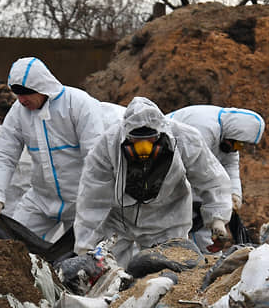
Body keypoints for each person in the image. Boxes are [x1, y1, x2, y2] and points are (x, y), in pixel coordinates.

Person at [74, 96, 234, 267]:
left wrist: (217, 217)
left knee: (171, 273)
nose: (144, 147)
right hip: (118, 220)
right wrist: (86, 246)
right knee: (106, 274)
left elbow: (211, 178)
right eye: (136, 139)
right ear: (126, 134)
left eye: (149, 138)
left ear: (160, 132)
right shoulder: (108, 143)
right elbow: (92, 197)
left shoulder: (185, 138)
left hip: (167, 218)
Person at [0, 57, 109, 241]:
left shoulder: (77, 104)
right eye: (17, 94)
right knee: (12, 247)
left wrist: (94, 203)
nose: (21, 100)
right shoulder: (18, 112)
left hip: (80, 202)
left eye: (26, 93)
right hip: (41, 200)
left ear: (41, 87)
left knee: (87, 258)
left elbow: (95, 156)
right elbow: (5, 155)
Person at [168, 104, 265, 250]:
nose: (237, 149)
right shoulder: (204, 127)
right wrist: (217, 211)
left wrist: (234, 195)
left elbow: (230, 166)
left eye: (242, 146)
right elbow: (197, 171)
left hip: (187, 171)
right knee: (181, 217)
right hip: (169, 169)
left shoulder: (228, 136)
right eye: (237, 144)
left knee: (203, 215)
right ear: (232, 133)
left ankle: (207, 258)